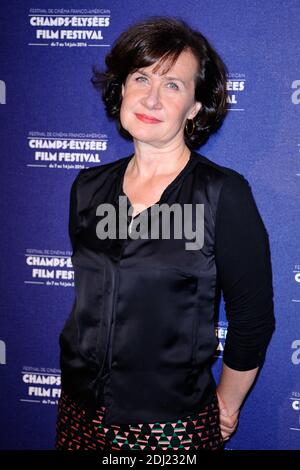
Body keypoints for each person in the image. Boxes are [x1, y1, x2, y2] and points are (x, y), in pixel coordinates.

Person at [55, 16, 275, 451]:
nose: (151, 98)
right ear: (121, 88)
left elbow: (252, 321)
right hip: (78, 412)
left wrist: (226, 408)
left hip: (171, 427)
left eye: (173, 85)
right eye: (141, 77)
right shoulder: (87, 187)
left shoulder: (222, 193)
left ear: (194, 107)